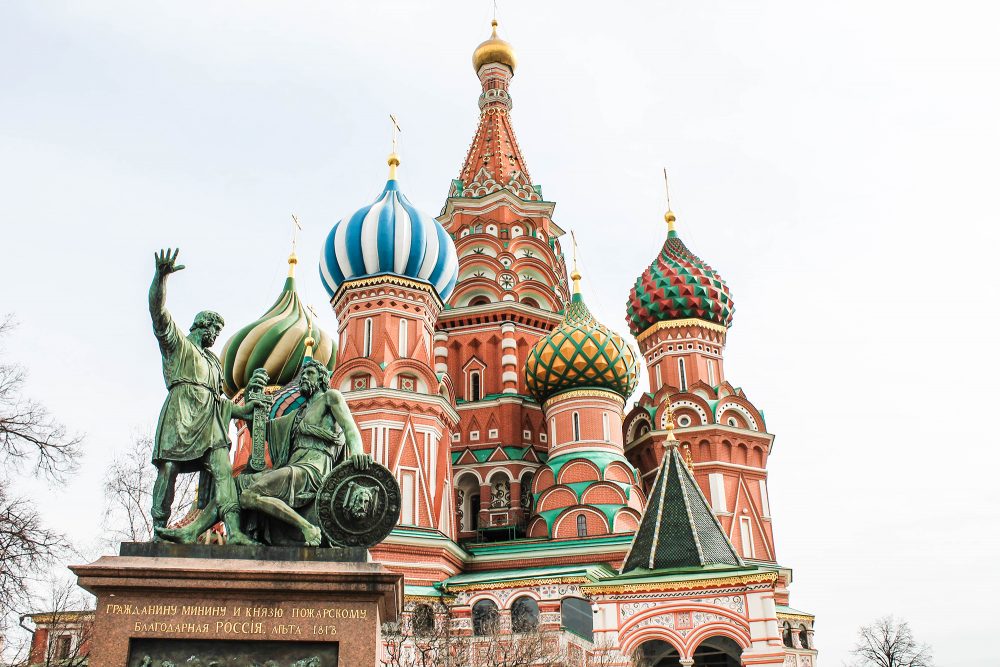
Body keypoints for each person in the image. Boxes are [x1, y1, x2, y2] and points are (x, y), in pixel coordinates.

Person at [148, 248, 258, 545]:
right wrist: (161, 278)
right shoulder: (178, 345)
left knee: (223, 473)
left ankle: (234, 532)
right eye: (214, 330)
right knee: (169, 469)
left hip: (210, 422)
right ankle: (159, 529)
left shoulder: (213, 362)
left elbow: (221, 402)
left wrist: (245, 411)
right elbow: (158, 314)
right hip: (181, 413)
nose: (215, 336)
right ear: (202, 326)